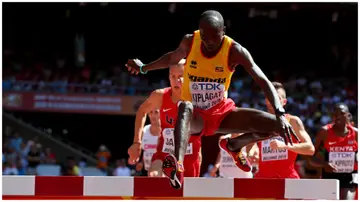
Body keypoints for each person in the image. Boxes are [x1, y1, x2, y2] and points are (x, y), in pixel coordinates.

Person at [126, 10, 299, 189]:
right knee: (185, 106)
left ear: (223, 31)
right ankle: (177, 164)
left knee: (280, 126)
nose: (209, 42)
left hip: (221, 113)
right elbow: (171, 58)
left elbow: (262, 80)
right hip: (196, 117)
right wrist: (144, 68)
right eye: (205, 37)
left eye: (214, 38)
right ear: (199, 31)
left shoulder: (234, 50)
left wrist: (280, 113)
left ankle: (234, 145)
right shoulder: (190, 41)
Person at [127, 60, 202, 186]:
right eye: (173, 76)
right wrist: (137, 142)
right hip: (164, 154)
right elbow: (142, 111)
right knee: (154, 177)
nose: (176, 81)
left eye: (180, 77)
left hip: (189, 158)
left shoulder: (198, 98)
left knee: (185, 195)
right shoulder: (160, 96)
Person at [244, 81, 314, 178]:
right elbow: (250, 144)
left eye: (277, 98)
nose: (273, 101)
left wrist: (285, 146)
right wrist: (251, 154)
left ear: (284, 102)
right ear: (266, 100)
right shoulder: (259, 123)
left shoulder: (292, 121)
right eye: (270, 97)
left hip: (287, 179)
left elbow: (310, 149)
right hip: (263, 179)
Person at [310, 103, 358, 200]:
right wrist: (324, 164)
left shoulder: (356, 133)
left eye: (342, 113)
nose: (338, 116)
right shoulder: (325, 132)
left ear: (348, 115)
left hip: (350, 176)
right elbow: (311, 158)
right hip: (329, 175)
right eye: (335, 114)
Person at [133, 110, 161, 176]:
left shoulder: (165, 131)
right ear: (148, 115)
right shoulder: (144, 130)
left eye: (156, 112)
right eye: (151, 112)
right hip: (146, 170)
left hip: (160, 171)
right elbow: (145, 150)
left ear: (161, 113)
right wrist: (141, 163)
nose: (153, 115)